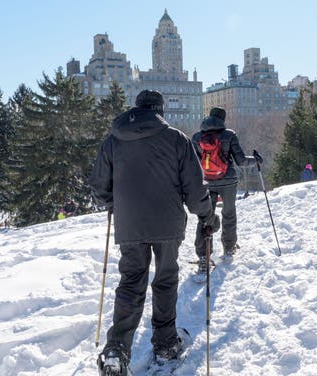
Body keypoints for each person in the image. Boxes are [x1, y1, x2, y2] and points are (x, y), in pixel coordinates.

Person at [89, 90, 219, 376]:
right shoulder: (175, 139)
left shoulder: (113, 141)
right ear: (160, 111)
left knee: (131, 282)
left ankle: (116, 350)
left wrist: (117, 205)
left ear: (137, 109)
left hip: (129, 225)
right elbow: (196, 190)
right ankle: (164, 343)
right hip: (167, 224)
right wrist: (208, 215)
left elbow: (99, 188)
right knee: (164, 280)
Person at [191, 107, 259, 271]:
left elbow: (192, 164)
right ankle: (229, 248)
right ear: (223, 119)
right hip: (228, 182)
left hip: (206, 182)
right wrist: (255, 160)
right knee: (228, 214)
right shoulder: (229, 135)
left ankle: (203, 256)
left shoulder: (197, 137)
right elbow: (241, 161)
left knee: (205, 217)